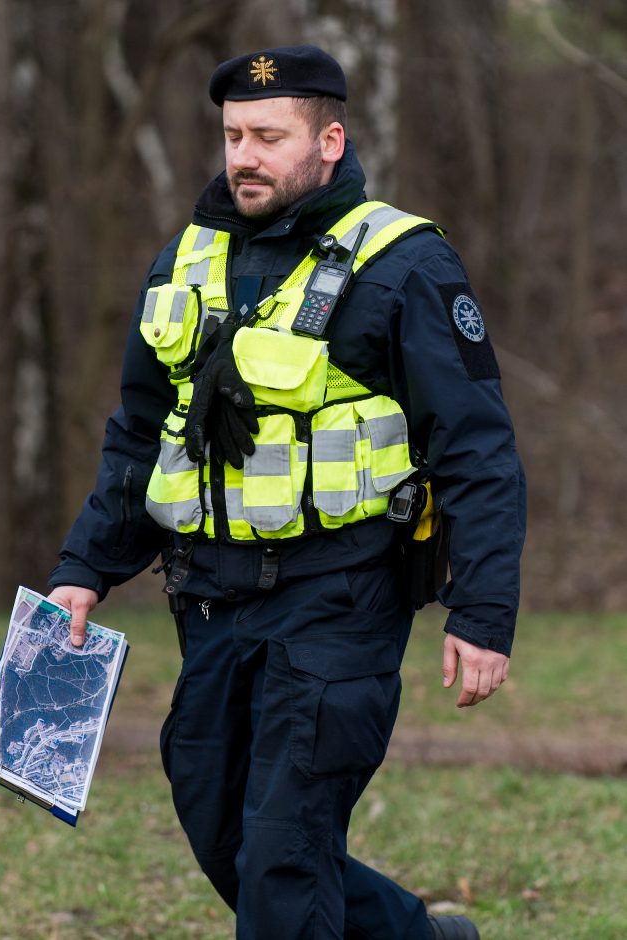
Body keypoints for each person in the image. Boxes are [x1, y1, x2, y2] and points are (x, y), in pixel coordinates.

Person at [49, 45, 525, 940]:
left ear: (330, 140)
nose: (244, 156)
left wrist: (483, 611)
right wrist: (86, 567)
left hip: (343, 596)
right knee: (222, 824)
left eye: (270, 136)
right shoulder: (186, 259)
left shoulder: (404, 263)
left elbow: (479, 449)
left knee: (284, 846)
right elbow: (142, 432)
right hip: (210, 596)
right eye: (233, 135)